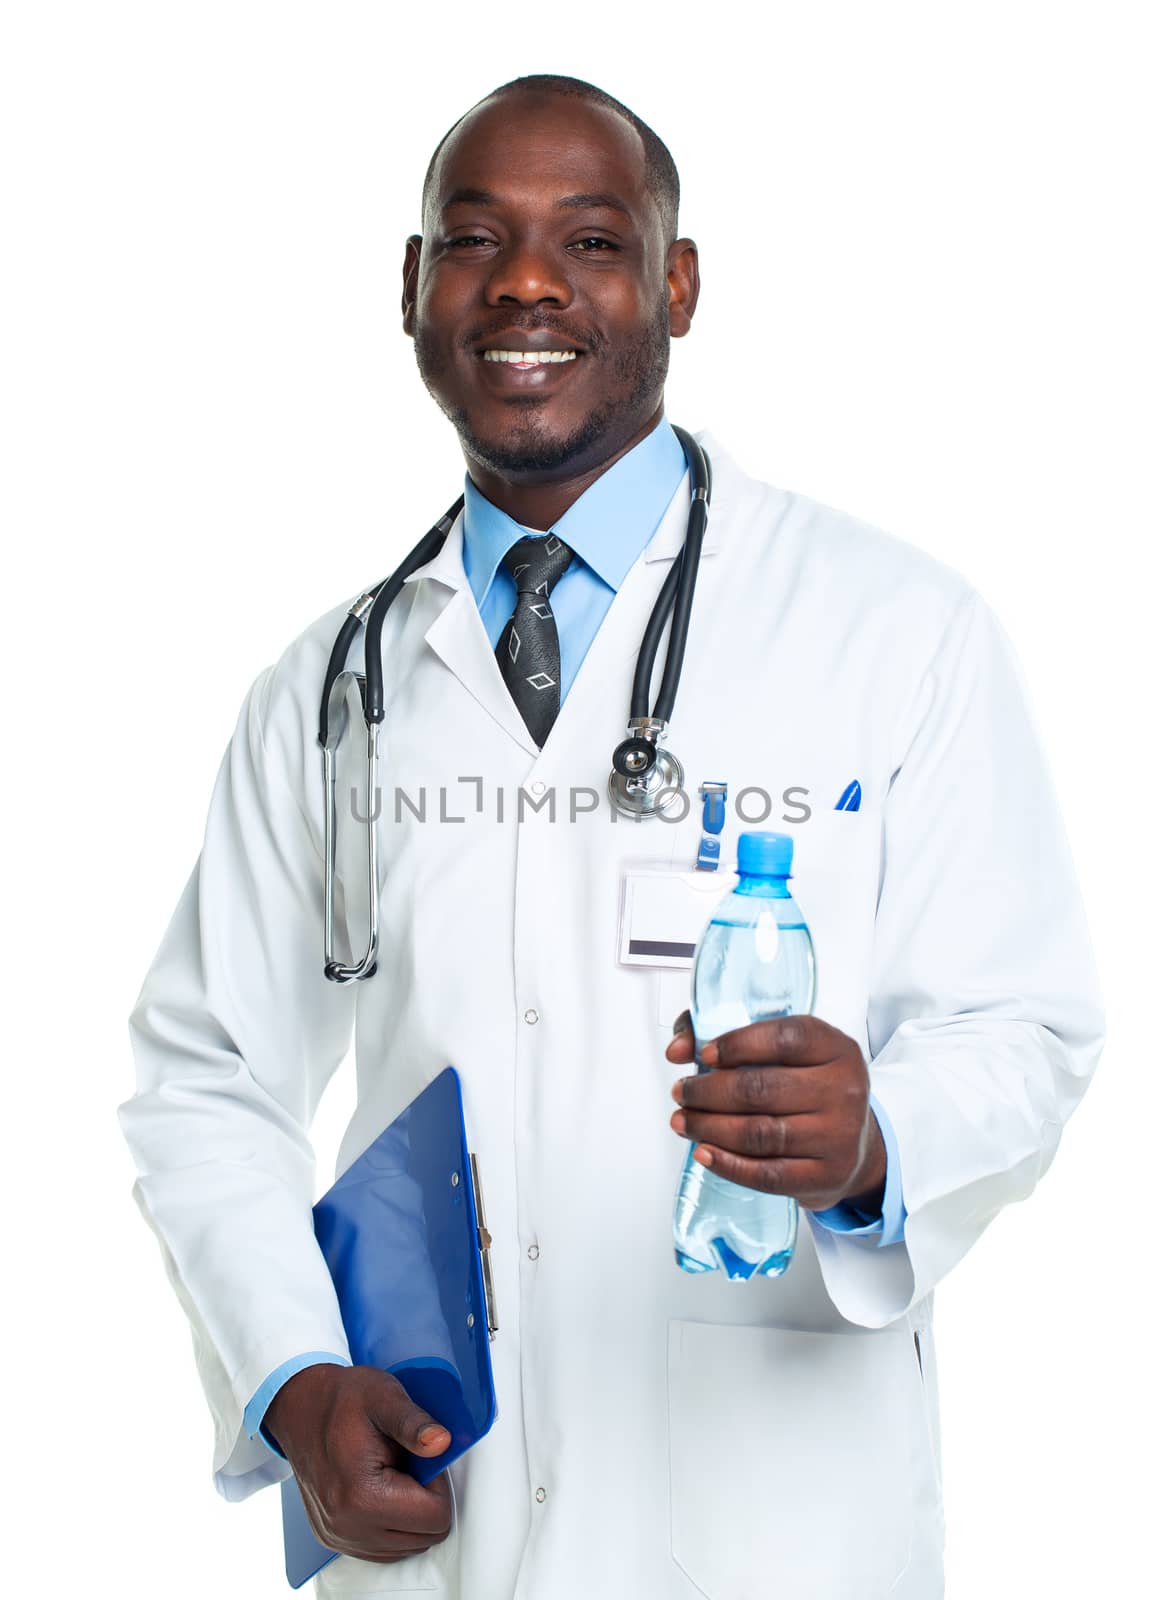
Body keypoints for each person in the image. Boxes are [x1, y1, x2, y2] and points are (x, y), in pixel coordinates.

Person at [118, 73, 1105, 1600]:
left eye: (588, 240)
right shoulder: (326, 692)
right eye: (472, 240)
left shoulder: (892, 632)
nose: (523, 282)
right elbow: (205, 1080)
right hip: (440, 1525)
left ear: (674, 283)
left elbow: (1023, 1025)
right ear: (411, 290)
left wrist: (873, 1148)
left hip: (770, 1533)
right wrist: (295, 1383)